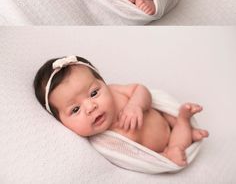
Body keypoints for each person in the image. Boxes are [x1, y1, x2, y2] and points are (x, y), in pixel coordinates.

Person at [34, 55, 209, 167]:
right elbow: (132, 159)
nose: (90, 107)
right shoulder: (103, 141)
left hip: (164, 120)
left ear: (103, 82)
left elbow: (140, 89)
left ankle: (183, 120)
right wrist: (159, 157)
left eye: (94, 93)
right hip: (163, 149)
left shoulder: (115, 91)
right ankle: (181, 136)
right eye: (75, 109)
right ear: (61, 122)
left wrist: (136, 105)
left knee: (174, 119)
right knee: (177, 146)